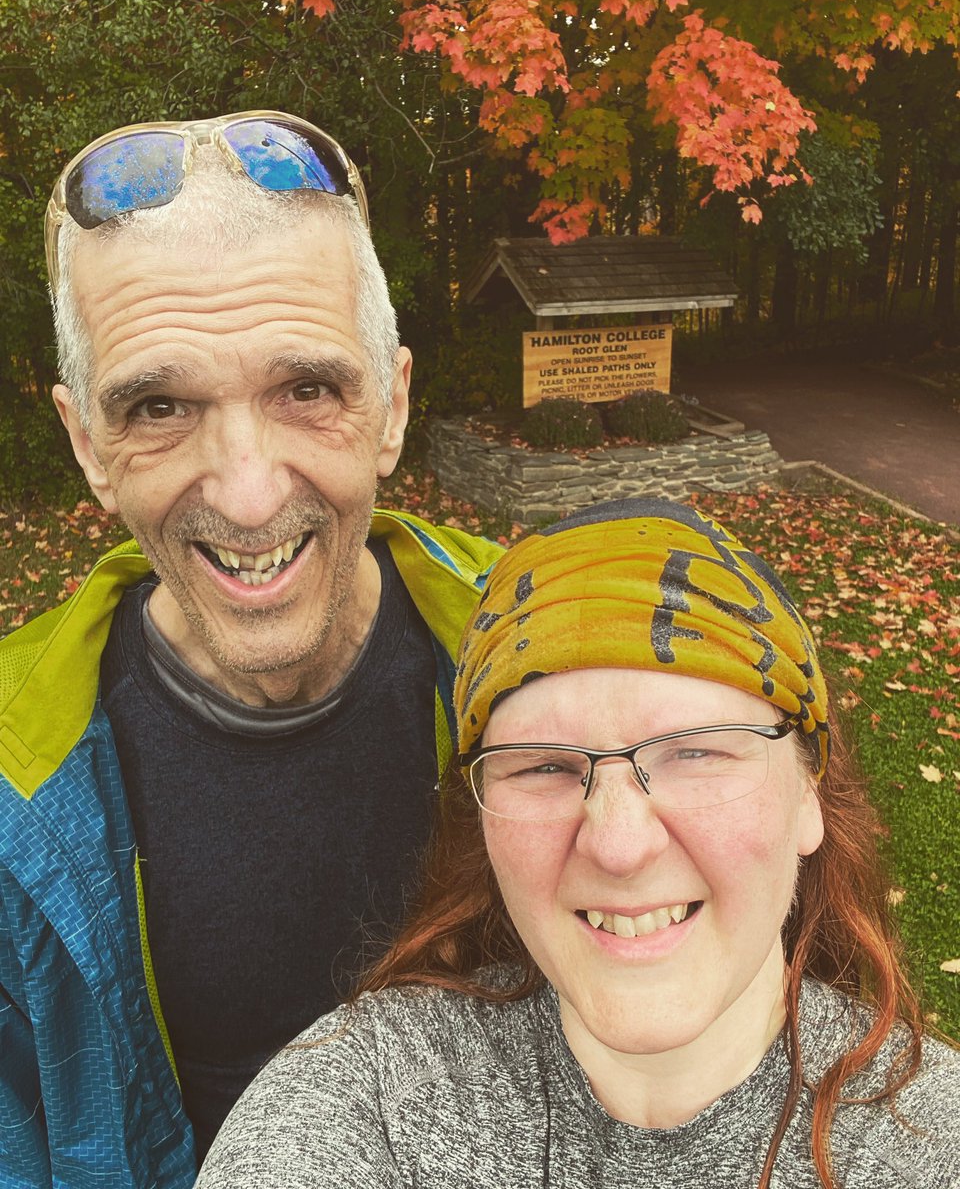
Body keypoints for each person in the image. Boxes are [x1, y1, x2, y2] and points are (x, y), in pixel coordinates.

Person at [0, 112, 501, 1187]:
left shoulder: (559, 663)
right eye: (161, 406)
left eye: (307, 389)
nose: (247, 488)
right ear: (89, 445)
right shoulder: (11, 780)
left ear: (392, 405)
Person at [196, 497, 959, 1189]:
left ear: (807, 796)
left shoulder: (932, 1144)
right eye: (545, 767)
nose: (619, 846)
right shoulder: (368, 1107)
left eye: (695, 752)